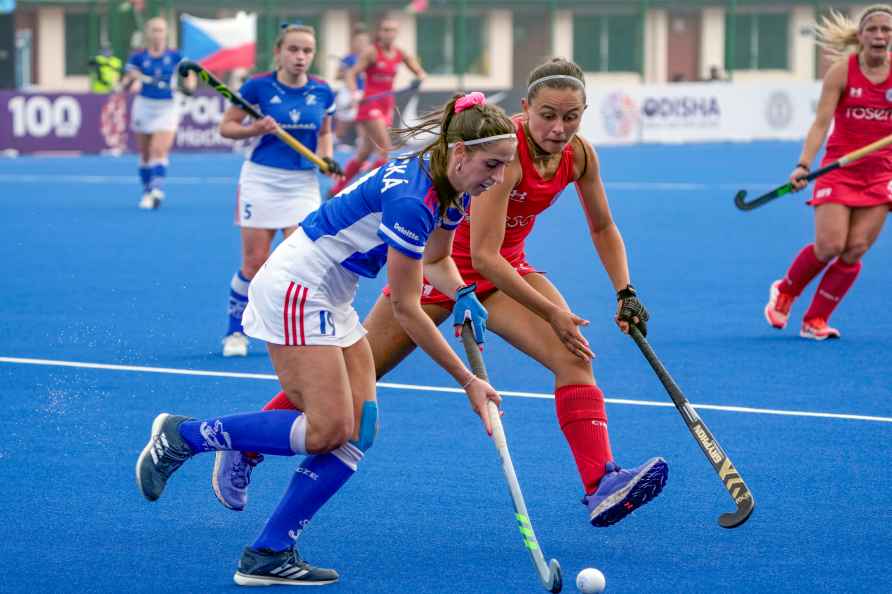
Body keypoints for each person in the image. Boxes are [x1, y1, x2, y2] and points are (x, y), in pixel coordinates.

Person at [215, 59, 668, 529]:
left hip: (503, 273)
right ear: (526, 107)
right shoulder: (501, 154)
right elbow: (482, 255)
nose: (559, 128)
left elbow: (603, 225)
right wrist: (553, 311)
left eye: (571, 116)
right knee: (352, 376)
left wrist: (625, 290)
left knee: (574, 356)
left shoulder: (580, 156)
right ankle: (243, 444)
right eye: (548, 115)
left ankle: (601, 483)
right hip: (441, 271)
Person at [136, 92, 517, 586]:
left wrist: (462, 292)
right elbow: (405, 307)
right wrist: (467, 380)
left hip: (332, 292)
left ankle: (269, 552)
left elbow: (438, 261)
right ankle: (185, 436)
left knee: (360, 429)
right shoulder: (412, 200)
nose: (499, 177)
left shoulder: (452, 185)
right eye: (493, 163)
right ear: (461, 153)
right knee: (325, 431)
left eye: (505, 166)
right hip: (299, 286)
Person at [764, 6, 892, 340]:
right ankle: (786, 291)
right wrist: (804, 165)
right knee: (830, 245)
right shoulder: (842, 72)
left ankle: (815, 320)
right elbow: (821, 123)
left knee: (856, 248)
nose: (880, 36)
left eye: (886, 30)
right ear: (861, 36)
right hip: (841, 169)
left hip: (882, 174)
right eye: (873, 30)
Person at [219, 24, 343, 358]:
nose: (300, 57)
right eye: (293, 49)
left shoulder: (322, 91)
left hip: (302, 185)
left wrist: (326, 157)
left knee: (301, 260)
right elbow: (226, 128)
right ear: (279, 52)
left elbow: (326, 131)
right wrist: (255, 128)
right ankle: (235, 333)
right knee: (255, 263)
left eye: (307, 51)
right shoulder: (257, 86)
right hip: (261, 180)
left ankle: (293, 331)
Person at [327, 16, 427, 196]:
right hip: (369, 104)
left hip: (386, 104)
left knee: (364, 153)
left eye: (392, 30)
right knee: (385, 149)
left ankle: (336, 189)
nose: (388, 34)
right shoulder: (372, 52)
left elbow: (417, 69)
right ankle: (367, 189)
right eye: (385, 30)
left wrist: (420, 76)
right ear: (380, 33)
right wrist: (354, 92)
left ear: (396, 33)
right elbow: (351, 73)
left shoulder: (399, 53)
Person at [121, 17, 196, 210]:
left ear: (166, 33)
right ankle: (147, 192)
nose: (158, 34)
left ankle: (157, 190)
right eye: (154, 30)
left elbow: (190, 75)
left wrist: (189, 87)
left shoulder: (175, 56)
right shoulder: (137, 57)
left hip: (167, 107)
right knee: (145, 154)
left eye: (161, 30)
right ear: (148, 33)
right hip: (144, 106)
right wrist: (133, 78)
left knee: (159, 150)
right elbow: (128, 80)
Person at [333, 23, 371, 149]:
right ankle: (336, 140)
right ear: (354, 42)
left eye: (364, 41)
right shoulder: (348, 58)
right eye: (359, 41)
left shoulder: (370, 58)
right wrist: (345, 73)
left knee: (363, 119)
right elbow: (337, 76)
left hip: (364, 93)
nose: (361, 44)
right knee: (344, 120)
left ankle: (362, 142)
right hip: (348, 93)